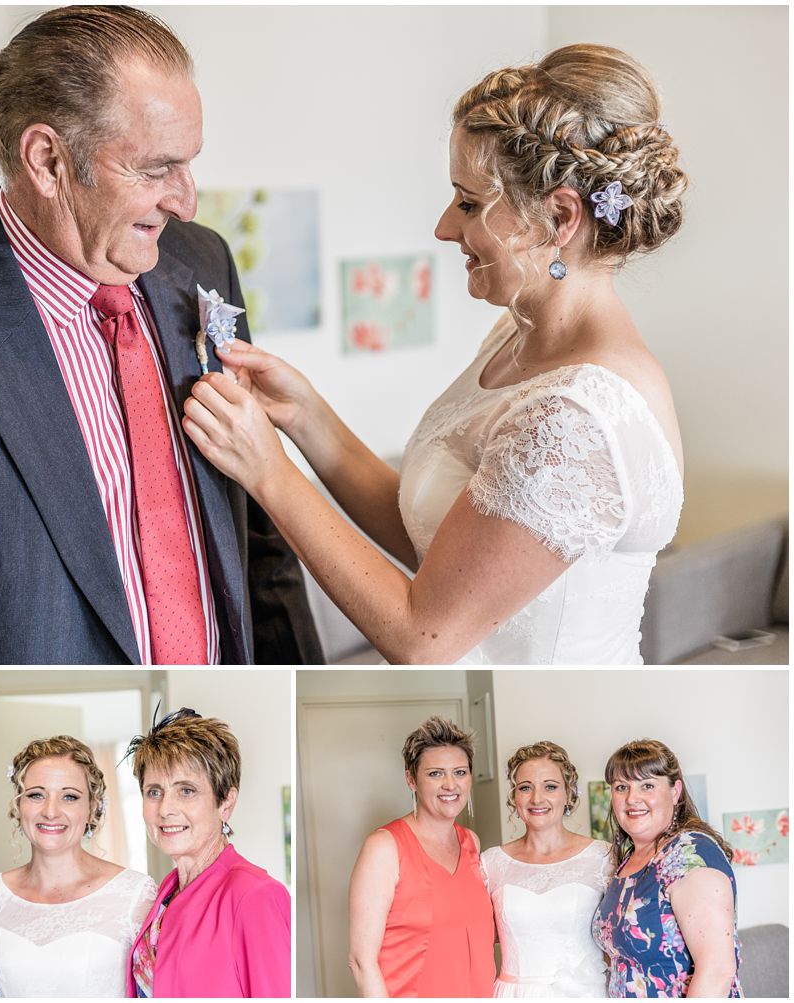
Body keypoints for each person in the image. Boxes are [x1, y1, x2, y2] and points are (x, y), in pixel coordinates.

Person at [0, 5, 321, 666]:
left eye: (187, 165)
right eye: (156, 169)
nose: (185, 200)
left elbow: (258, 540)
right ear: (47, 161)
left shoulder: (201, 263)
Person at [182, 44, 686, 664]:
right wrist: (306, 417)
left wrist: (268, 471)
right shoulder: (515, 335)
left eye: (469, 203)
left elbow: (423, 639)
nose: (445, 227)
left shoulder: (577, 417)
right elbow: (437, 535)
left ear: (559, 216)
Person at [124, 707, 290, 998]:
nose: (165, 809)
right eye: (154, 792)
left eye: (186, 790)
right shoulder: (167, 890)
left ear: (225, 802)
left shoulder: (255, 896)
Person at [0, 736, 156, 997]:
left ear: (92, 807)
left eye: (70, 797)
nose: (51, 811)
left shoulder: (135, 894)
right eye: (36, 795)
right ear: (19, 804)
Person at [348, 716, 494, 997]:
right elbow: (360, 961)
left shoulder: (471, 843)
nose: (450, 784)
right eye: (435, 773)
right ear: (410, 779)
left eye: (460, 772)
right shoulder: (384, 847)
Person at [592, 739, 742, 997]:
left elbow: (716, 971)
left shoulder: (689, 854)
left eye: (647, 785)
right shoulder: (627, 862)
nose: (632, 798)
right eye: (621, 787)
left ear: (675, 792)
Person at [481, 741, 612, 997]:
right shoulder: (491, 863)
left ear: (568, 794)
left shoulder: (603, 857)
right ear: (514, 797)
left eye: (550, 787)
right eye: (525, 788)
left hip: (586, 994)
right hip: (513, 994)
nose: (536, 798)